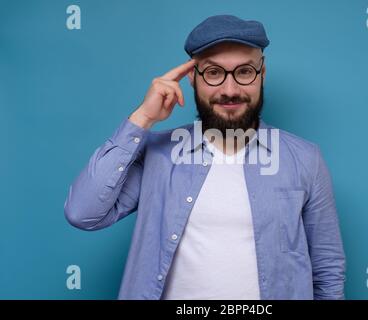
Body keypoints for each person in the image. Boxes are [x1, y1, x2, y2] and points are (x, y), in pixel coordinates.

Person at [64, 14, 346, 300]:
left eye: (245, 71)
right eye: (213, 72)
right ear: (192, 76)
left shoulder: (305, 159)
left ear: (262, 73)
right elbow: (83, 213)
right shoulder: (159, 156)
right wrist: (143, 118)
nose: (230, 89)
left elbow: (328, 268)